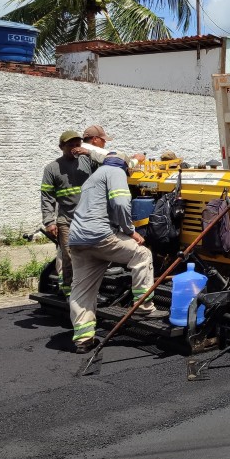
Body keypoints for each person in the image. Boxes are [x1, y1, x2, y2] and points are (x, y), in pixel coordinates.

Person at [67, 151, 162, 353]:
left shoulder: (93, 177)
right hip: (101, 236)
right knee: (142, 255)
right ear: (124, 167)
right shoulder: (116, 172)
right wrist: (130, 231)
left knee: (82, 289)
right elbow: (120, 202)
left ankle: (83, 339)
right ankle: (143, 308)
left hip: (77, 240)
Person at [40, 130, 94, 296]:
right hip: (66, 220)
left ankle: (86, 288)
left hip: (89, 218)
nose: (75, 148)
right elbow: (47, 196)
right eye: (70, 145)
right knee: (69, 256)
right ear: (61, 147)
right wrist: (49, 221)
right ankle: (68, 291)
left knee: (91, 255)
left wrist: (89, 152)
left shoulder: (88, 162)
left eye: (78, 144)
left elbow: (110, 162)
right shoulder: (52, 169)